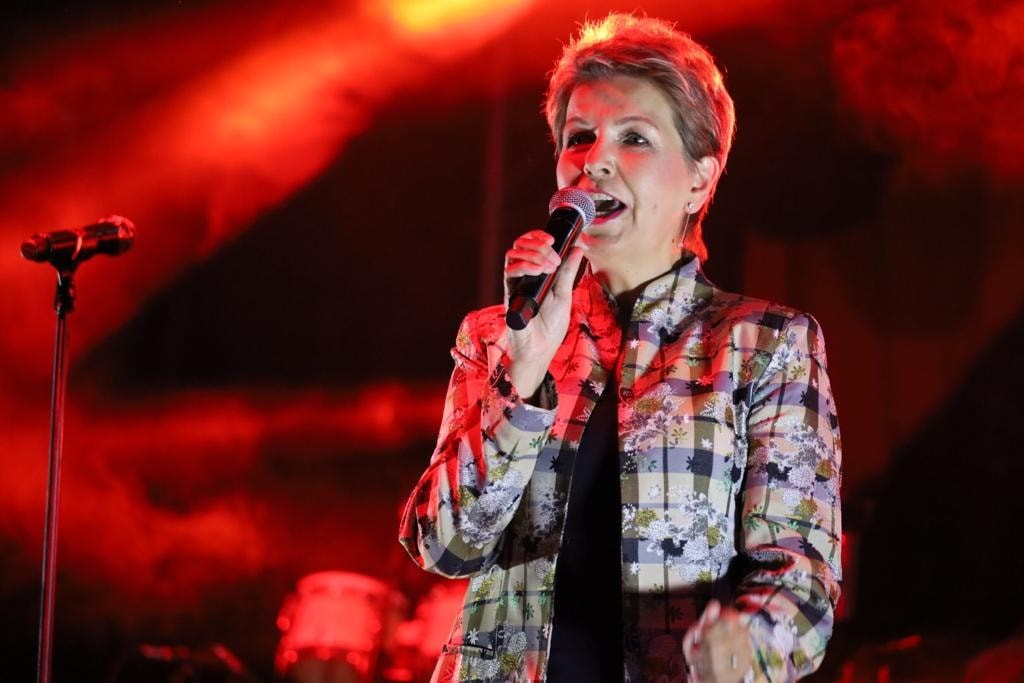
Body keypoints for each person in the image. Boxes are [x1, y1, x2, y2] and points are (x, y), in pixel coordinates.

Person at [399, 13, 842, 683]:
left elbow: (800, 571)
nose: (594, 160)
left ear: (699, 179)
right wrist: (523, 375)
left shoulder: (761, 344)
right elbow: (445, 546)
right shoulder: (496, 335)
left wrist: (747, 645)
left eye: (634, 138)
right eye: (579, 137)